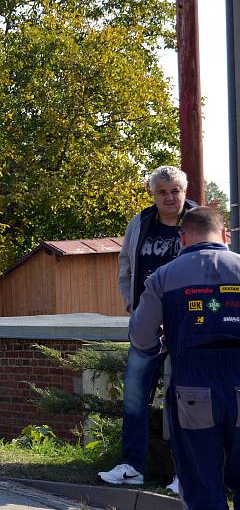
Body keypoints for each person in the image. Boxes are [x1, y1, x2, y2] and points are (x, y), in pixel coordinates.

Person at [129, 207, 240, 509]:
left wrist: (161, 342)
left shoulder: (165, 276)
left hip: (192, 388)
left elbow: (141, 337)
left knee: (202, 481)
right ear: (225, 235)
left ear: (182, 238)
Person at [99, 166, 197, 489]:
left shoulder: (198, 222)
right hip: (147, 326)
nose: (169, 197)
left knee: (187, 400)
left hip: (187, 326)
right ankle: (131, 466)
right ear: (152, 194)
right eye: (162, 192)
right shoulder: (140, 223)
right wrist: (132, 305)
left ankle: (185, 475)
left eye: (175, 191)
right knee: (135, 396)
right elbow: (125, 263)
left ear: (185, 191)